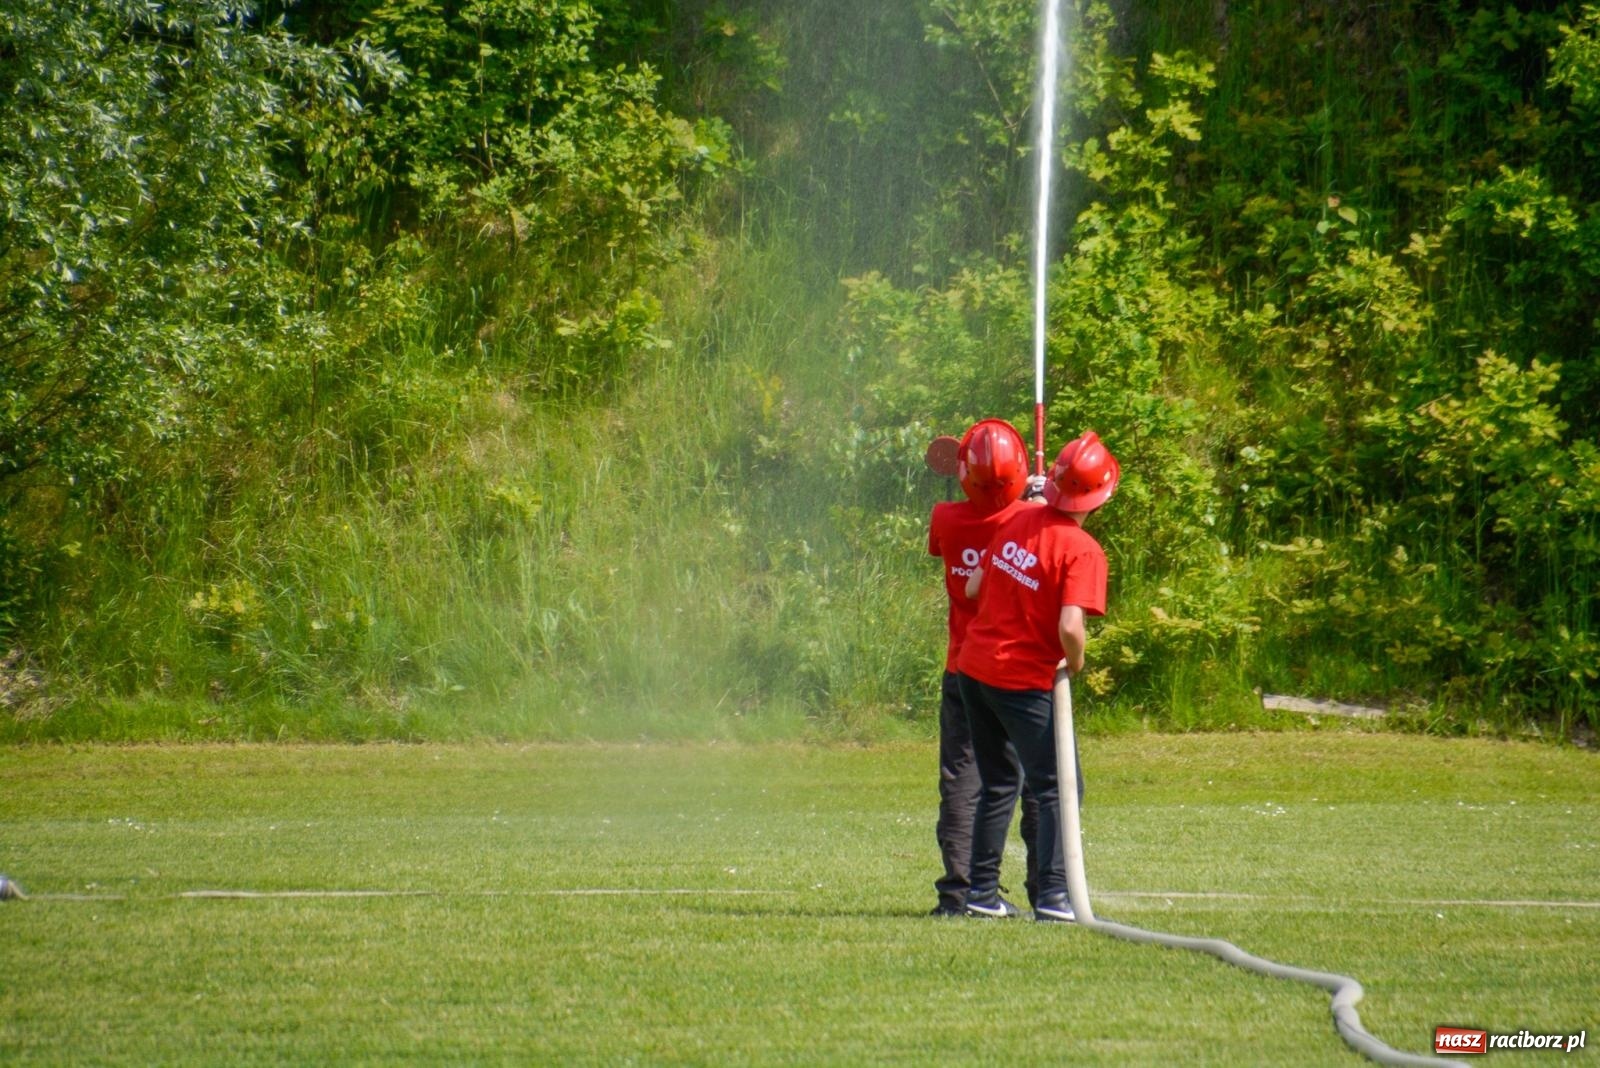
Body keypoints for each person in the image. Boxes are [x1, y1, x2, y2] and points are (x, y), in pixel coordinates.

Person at [955, 430, 1119, 922]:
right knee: (1058, 786)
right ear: (1102, 494)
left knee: (999, 783)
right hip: (1020, 681)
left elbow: (974, 586)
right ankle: (1053, 896)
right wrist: (1078, 660)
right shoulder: (1084, 551)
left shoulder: (1019, 517)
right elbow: (1071, 625)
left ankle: (981, 893)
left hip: (974, 670)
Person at [925, 419, 1041, 917]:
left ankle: (960, 893)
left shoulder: (945, 519)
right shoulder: (1027, 520)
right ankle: (1049, 890)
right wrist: (1040, 502)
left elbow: (971, 517)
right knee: (1038, 781)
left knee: (963, 783)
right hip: (1017, 671)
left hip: (962, 669)